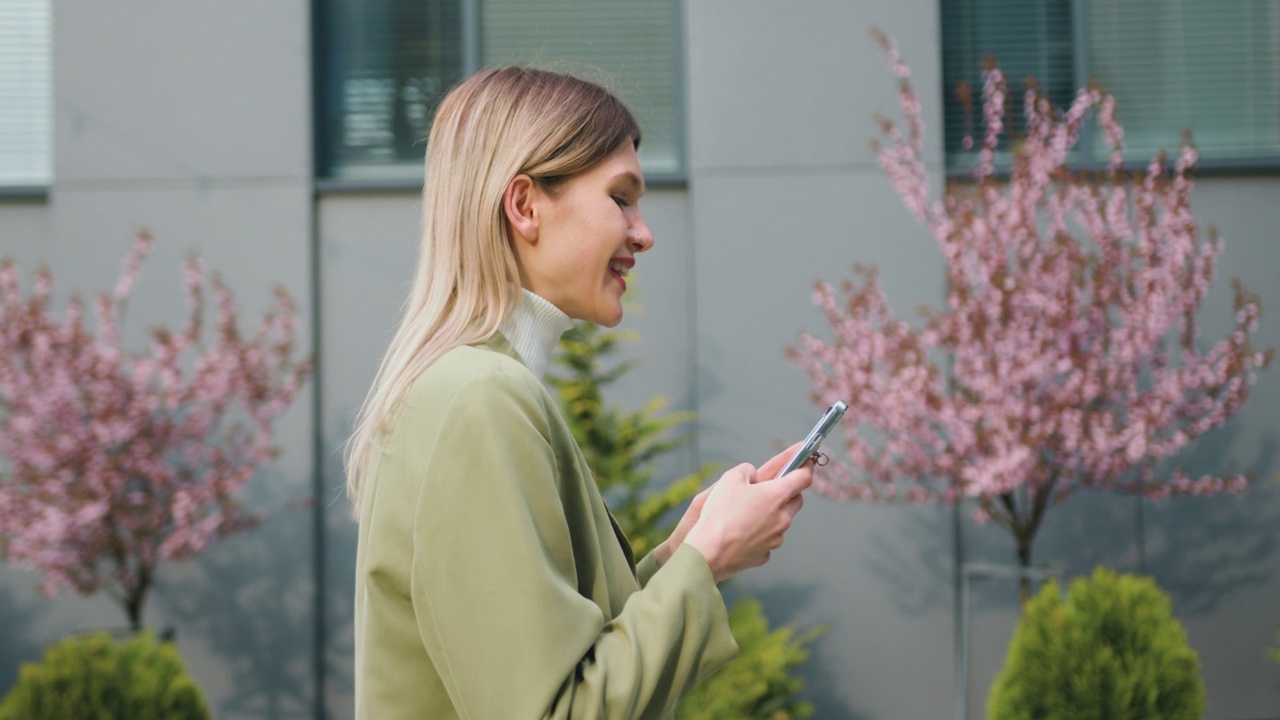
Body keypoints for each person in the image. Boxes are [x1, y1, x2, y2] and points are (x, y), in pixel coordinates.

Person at [346, 65, 814, 719]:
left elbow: (569, 666)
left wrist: (685, 554)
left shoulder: (472, 389)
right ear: (525, 205)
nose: (644, 232)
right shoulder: (481, 399)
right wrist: (704, 561)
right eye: (621, 198)